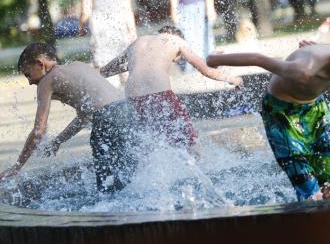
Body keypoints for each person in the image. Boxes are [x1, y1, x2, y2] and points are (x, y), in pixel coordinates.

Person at [207, 29, 330, 201]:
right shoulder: (302, 72)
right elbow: (258, 59)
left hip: (316, 110)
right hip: (282, 114)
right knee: (311, 195)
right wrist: (214, 59)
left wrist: (314, 48)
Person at [94, 26, 243, 191]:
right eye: (177, 58)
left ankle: (140, 188)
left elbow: (106, 71)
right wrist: (231, 78)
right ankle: (203, 183)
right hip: (160, 95)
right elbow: (204, 70)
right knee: (191, 142)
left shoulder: (138, 42)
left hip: (132, 99)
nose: (175, 61)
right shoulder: (176, 41)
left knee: (147, 146)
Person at [0, 43, 124, 186]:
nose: (29, 82)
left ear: (40, 64)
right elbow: (85, 117)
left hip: (107, 120)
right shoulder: (78, 66)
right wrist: (58, 141)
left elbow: (38, 131)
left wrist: (17, 166)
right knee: (125, 177)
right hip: (126, 110)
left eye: (28, 75)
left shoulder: (47, 81)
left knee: (107, 186)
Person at [80, 0, 136, 87]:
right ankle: (132, 102)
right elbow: (127, 10)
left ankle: (112, 103)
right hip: (120, 30)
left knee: (105, 72)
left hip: (100, 33)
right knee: (125, 68)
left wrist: (81, 25)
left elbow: (86, 12)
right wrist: (132, 31)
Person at [169, 0, 216, 72]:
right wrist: (174, 11)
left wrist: (210, 8)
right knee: (188, 39)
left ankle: (206, 66)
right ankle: (192, 68)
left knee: (202, 37)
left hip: (200, 6)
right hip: (184, 8)